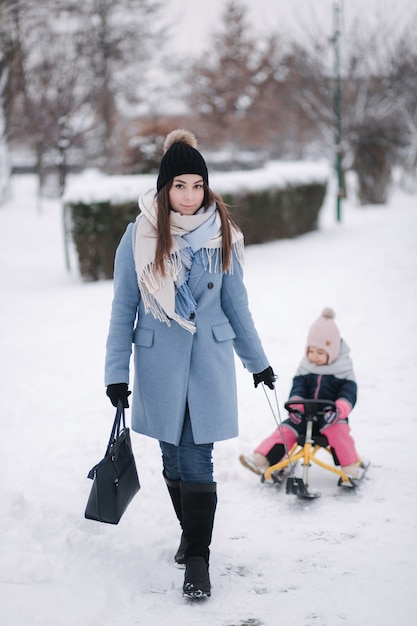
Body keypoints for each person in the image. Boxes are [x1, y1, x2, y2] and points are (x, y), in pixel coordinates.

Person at [104, 129, 275, 599]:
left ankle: (197, 559)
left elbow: (236, 306)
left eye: (197, 185)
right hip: (158, 363)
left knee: (198, 457)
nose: (189, 195)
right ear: (165, 187)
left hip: (208, 363)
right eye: (179, 185)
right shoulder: (139, 236)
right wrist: (116, 373)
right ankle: (190, 533)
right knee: (172, 458)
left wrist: (257, 362)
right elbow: (124, 309)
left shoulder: (223, 235)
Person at [240, 307, 365, 481]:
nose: (314, 357)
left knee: (340, 433)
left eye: (320, 353)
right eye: (311, 351)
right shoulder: (305, 369)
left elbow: (349, 393)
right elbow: (298, 388)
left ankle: (351, 468)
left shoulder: (343, 372)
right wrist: (296, 406)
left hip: (331, 417)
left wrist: (339, 409)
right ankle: (263, 459)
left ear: (333, 351)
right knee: (285, 430)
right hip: (304, 417)